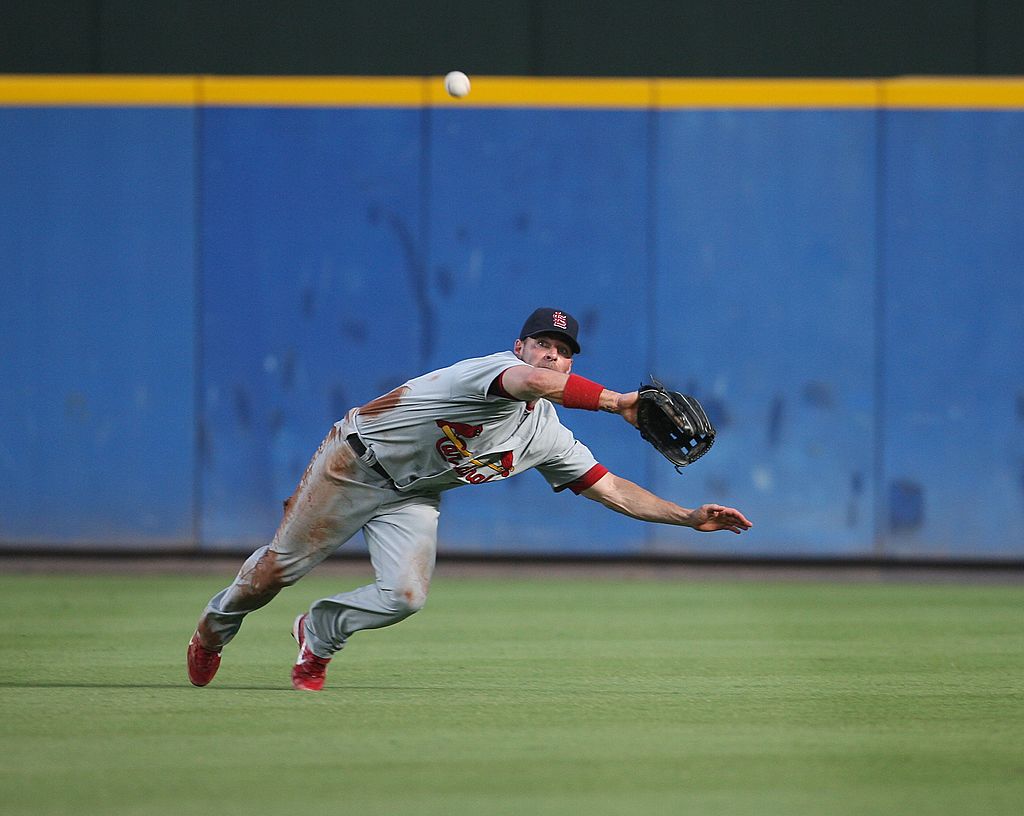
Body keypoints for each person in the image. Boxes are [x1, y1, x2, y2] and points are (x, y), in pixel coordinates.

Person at [187, 307, 753, 691]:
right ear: (520, 348)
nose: (552, 356)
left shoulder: (546, 435)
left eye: (563, 350)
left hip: (414, 495)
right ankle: (215, 626)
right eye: (543, 344)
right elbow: (533, 384)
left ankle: (318, 633)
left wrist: (687, 518)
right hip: (356, 465)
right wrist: (620, 402)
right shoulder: (497, 372)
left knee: (405, 596)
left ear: (572, 361)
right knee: (272, 576)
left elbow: (613, 490)